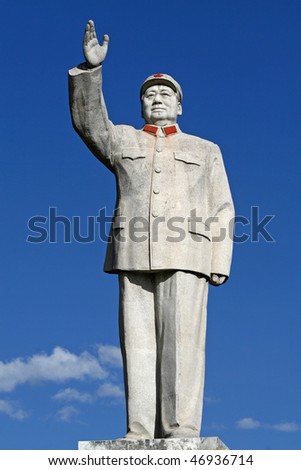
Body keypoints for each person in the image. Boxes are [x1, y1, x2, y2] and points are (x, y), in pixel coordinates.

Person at [68, 20, 234, 440]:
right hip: (133, 251)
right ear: (140, 105)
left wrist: (219, 260)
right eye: (149, 95)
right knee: (137, 345)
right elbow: (90, 124)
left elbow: (222, 207)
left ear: (180, 106)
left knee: (182, 345)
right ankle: (138, 429)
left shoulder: (205, 149)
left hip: (189, 253)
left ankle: (181, 430)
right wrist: (91, 72)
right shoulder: (122, 140)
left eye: (166, 95)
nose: (157, 99)